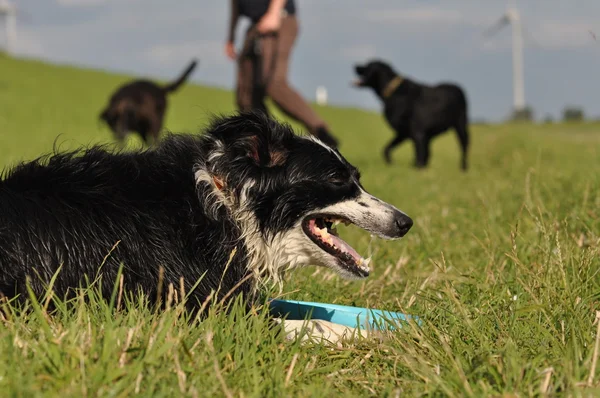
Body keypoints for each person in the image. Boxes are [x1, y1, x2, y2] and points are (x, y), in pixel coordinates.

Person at [225, 0, 340, 148]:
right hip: (256, 26)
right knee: (246, 94)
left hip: (279, 20)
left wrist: (274, 13)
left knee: (274, 84)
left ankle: (320, 132)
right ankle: (264, 143)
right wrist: (230, 38)